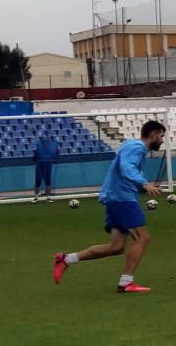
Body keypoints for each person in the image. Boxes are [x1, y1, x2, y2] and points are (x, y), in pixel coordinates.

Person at [52, 119, 167, 293]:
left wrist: (144, 188)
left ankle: (66, 260)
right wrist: (144, 184)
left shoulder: (135, 149)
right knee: (142, 237)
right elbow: (126, 167)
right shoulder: (136, 147)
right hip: (122, 199)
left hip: (117, 198)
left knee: (116, 247)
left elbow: (126, 173)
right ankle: (126, 282)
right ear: (154, 134)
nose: (162, 140)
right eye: (161, 136)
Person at [33, 135, 59, 202]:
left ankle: (48, 197)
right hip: (40, 165)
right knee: (38, 181)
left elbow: (55, 155)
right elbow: (34, 157)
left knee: (48, 182)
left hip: (48, 165)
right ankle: (36, 197)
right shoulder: (38, 149)